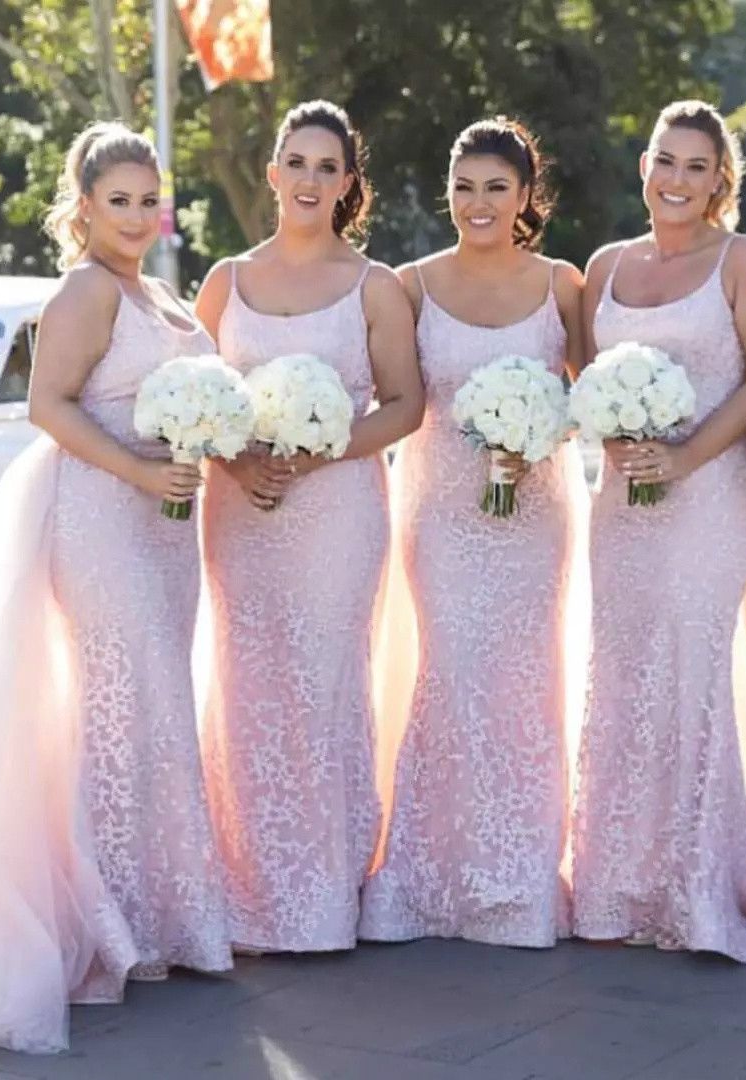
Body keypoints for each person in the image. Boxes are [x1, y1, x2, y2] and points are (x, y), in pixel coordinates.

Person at [0, 122, 232, 1054]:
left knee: (157, 707)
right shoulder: (83, 291)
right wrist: (142, 474)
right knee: (122, 702)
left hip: (164, 529)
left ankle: (158, 915)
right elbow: (47, 404)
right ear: (84, 207)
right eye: (121, 200)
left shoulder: (161, 294)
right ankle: (108, 926)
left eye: (151, 200)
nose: (140, 215)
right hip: (104, 520)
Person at [194, 100, 423, 953]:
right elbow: (198, 404)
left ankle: (324, 893)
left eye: (328, 167)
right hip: (243, 509)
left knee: (323, 685)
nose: (310, 180)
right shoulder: (225, 281)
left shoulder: (375, 285)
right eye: (297, 161)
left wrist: (320, 453)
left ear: (348, 183)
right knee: (249, 689)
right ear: (272, 170)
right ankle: (246, 889)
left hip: (337, 510)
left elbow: (405, 405)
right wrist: (237, 461)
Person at [570, 100, 746, 960]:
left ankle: (693, 888)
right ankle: (615, 889)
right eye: (666, 160)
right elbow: (589, 378)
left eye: (697, 167)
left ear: (720, 182)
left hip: (708, 500)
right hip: (622, 507)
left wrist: (692, 453)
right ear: (644, 166)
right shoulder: (604, 266)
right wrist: (616, 436)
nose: (677, 179)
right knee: (624, 676)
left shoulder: (741, 261)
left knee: (691, 674)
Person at [361, 117, 587, 947]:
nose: (478, 203)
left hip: (536, 520)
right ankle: (434, 874)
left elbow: (592, 397)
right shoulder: (409, 286)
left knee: (525, 686)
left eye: (497, 187)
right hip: (444, 518)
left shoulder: (562, 284)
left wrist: (540, 433)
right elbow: (394, 396)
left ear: (527, 196)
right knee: (452, 676)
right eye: (464, 187)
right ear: (446, 192)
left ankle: (520, 876)